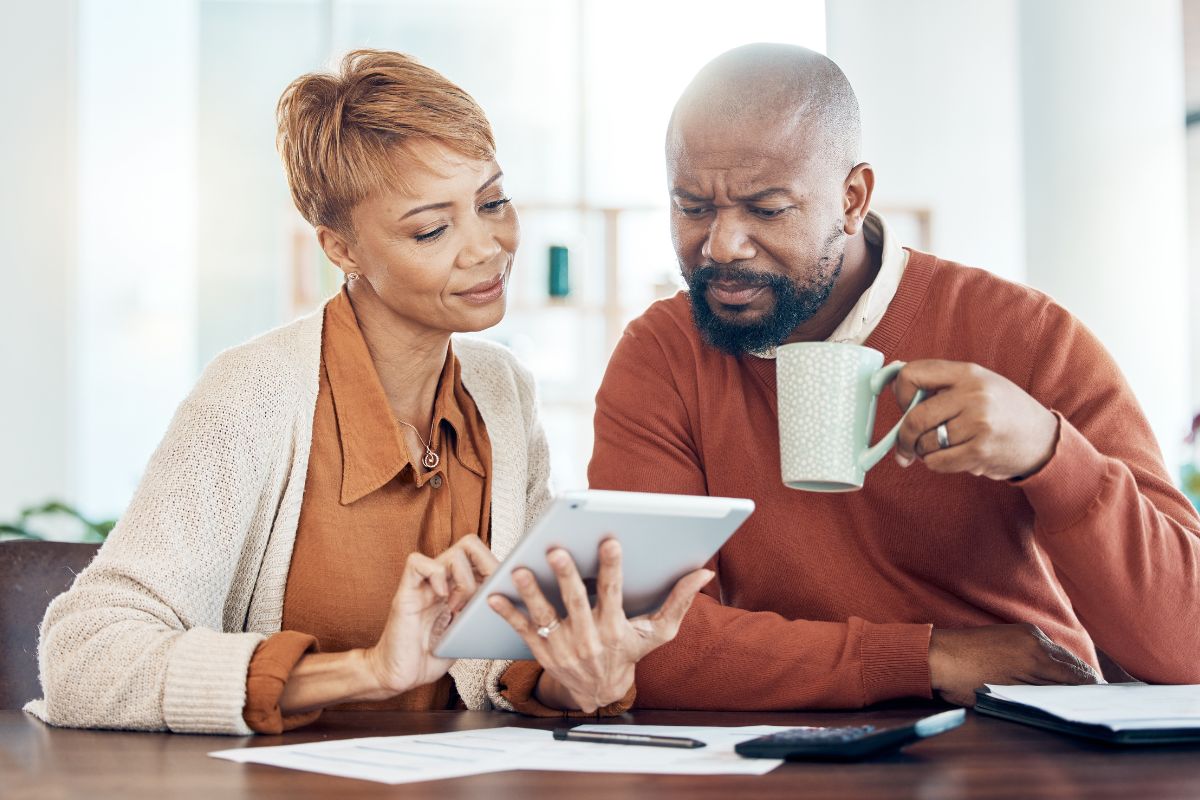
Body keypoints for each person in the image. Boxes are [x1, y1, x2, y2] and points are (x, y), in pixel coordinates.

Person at [28, 50, 711, 735]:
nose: (487, 247)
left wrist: (577, 677)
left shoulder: (501, 391)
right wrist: (369, 669)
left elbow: (501, 655)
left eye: (492, 202)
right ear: (342, 249)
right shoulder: (251, 396)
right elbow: (85, 659)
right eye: (431, 228)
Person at [589, 43, 1200, 710]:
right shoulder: (661, 354)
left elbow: (1187, 642)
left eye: (766, 210)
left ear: (852, 199)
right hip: (788, 743)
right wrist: (926, 658)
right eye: (692, 206)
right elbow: (641, 641)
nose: (721, 246)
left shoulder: (1026, 335)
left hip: (1020, 733)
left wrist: (1050, 454)